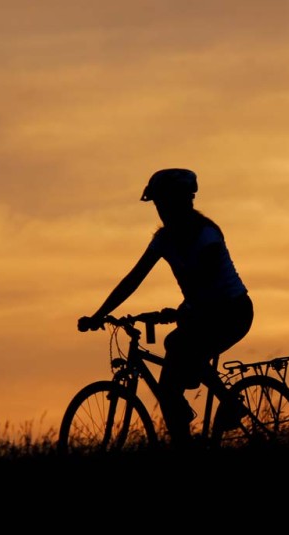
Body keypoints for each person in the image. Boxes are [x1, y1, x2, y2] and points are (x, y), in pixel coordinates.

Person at [77, 168, 254, 447]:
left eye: (166, 203)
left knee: (182, 348)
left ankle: (229, 405)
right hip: (201, 311)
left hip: (232, 312)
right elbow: (133, 279)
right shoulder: (164, 240)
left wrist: (185, 310)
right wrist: (98, 315)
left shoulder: (206, 235)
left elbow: (207, 284)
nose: (162, 210)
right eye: (158, 204)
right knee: (171, 382)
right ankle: (187, 433)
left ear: (185, 201)